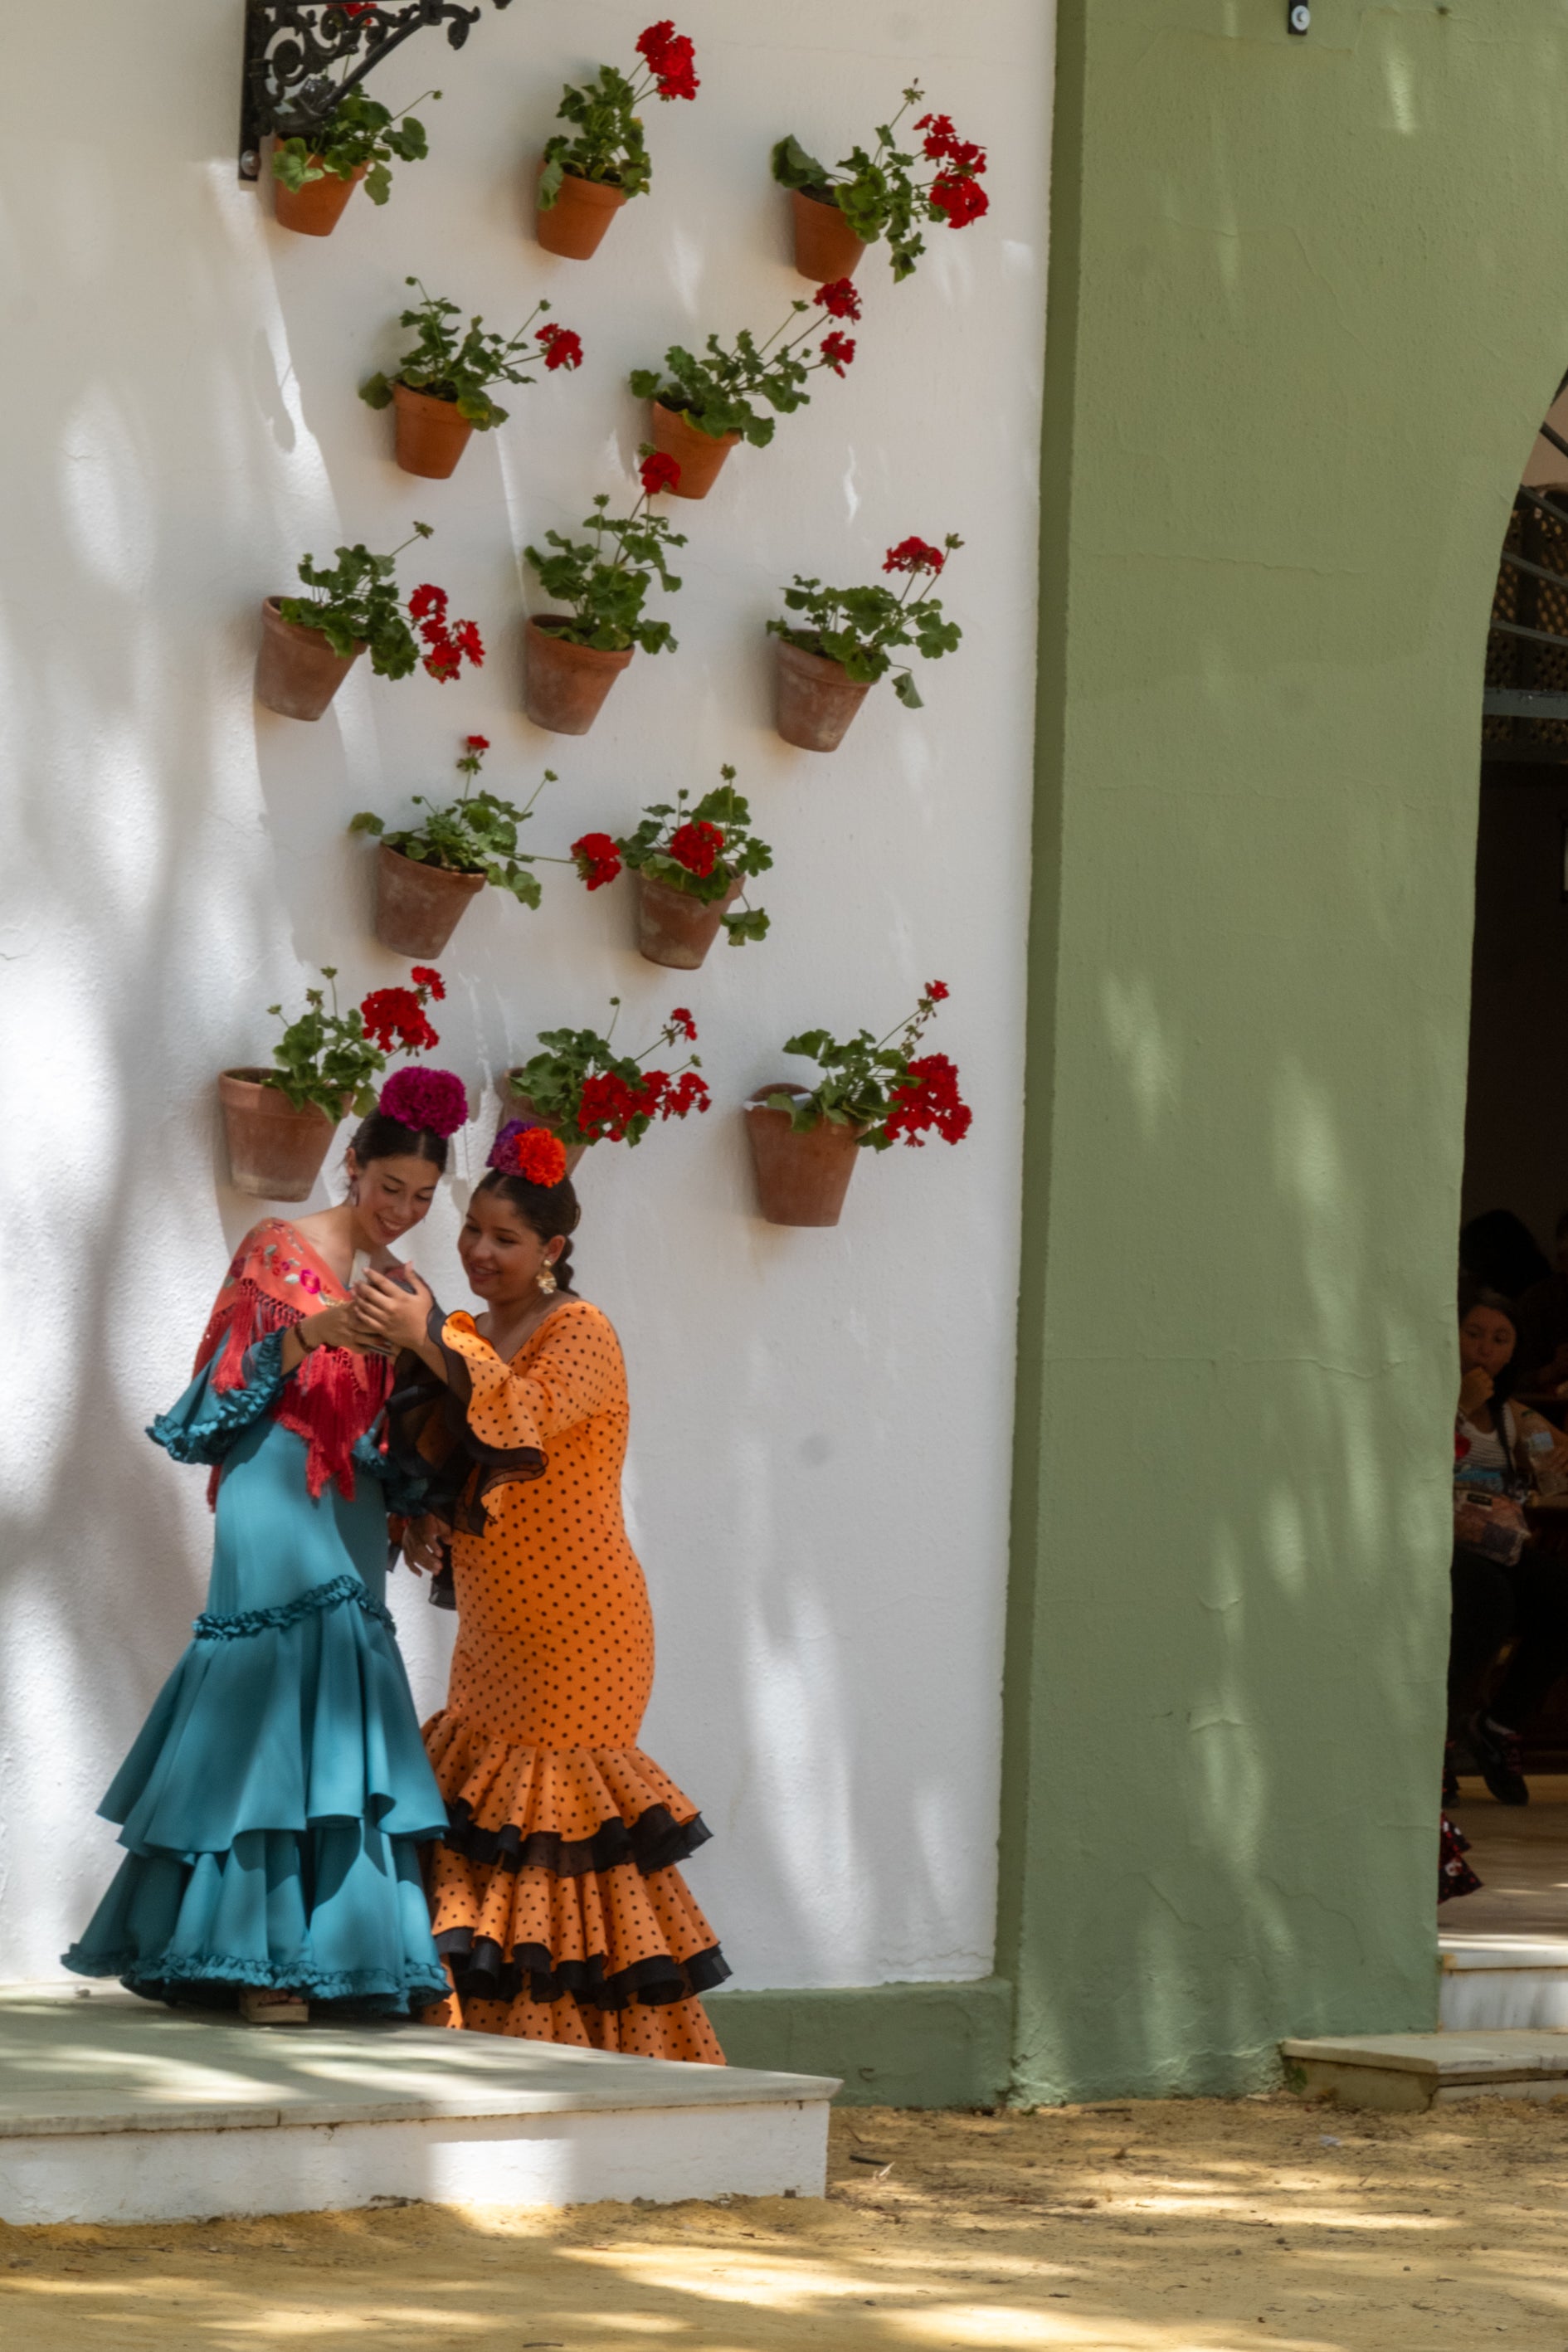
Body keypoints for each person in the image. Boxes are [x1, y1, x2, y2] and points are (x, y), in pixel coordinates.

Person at [63, 1077, 469, 2022]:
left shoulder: (409, 1290)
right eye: (390, 1186)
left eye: (421, 1196)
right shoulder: (275, 1250)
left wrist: (416, 1512)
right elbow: (217, 1390)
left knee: (342, 1696)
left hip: (354, 1501)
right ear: (352, 1165)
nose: (402, 1210)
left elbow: (410, 1423)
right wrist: (312, 1333)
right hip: (272, 1483)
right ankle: (254, 1960)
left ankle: (337, 1954)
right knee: (269, 1692)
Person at [352, 1119, 729, 2062]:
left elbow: (517, 1416)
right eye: (471, 1229)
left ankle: (578, 2049)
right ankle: (475, 2030)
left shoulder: (578, 1331)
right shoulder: (472, 1333)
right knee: (488, 1817)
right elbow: (450, 1451)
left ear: (553, 1248)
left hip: (581, 1626)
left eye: (506, 1238)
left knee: (556, 1824)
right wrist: (420, 1517)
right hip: (495, 1627)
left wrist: (428, 1335)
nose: (479, 1251)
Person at [1449, 1285, 1568, 1806]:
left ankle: (1496, 1727)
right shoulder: (1432, 1400)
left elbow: (1550, 1451)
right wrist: (1458, 1406)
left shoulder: (1512, 1415)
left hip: (1498, 1542)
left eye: (1500, 1340)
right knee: (1488, 1600)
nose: (1484, 1349)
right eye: (1473, 1334)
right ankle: (1439, 1737)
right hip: (1442, 1545)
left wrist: (1556, 1458)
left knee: (1561, 1596)